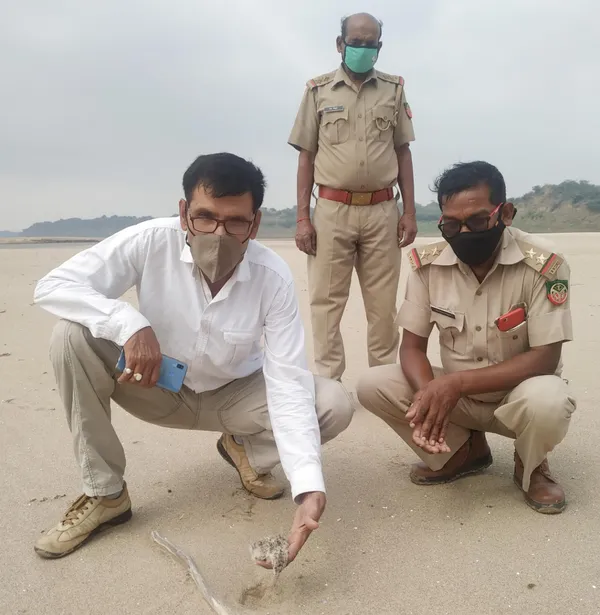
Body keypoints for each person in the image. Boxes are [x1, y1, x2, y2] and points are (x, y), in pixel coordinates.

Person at [32, 152, 354, 560]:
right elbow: (54, 286)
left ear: (254, 223)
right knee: (70, 337)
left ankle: (245, 450)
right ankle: (106, 494)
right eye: (205, 217)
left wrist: (308, 489)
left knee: (332, 403)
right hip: (155, 384)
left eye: (236, 221)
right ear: (184, 212)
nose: (218, 233)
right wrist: (128, 323)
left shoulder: (272, 277)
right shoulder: (149, 241)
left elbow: (288, 382)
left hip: (236, 396)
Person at [357, 161, 575, 514]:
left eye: (476, 221)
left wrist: (454, 385)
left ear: (505, 213)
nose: (464, 233)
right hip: (459, 402)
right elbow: (411, 347)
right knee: (372, 383)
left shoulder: (544, 264)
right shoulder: (428, 266)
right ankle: (463, 453)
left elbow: (545, 358)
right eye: (451, 224)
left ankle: (532, 465)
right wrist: (432, 396)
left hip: (518, 399)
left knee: (548, 399)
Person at [288, 12, 417, 382]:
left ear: (379, 46)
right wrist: (302, 217)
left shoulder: (393, 90)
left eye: (369, 43)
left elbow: (403, 152)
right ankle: (329, 382)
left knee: (383, 305)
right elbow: (306, 156)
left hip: (382, 211)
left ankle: (384, 382)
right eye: (355, 42)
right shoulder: (318, 90)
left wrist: (409, 213)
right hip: (330, 210)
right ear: (340, 44)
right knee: (326, 303)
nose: (362, 48)